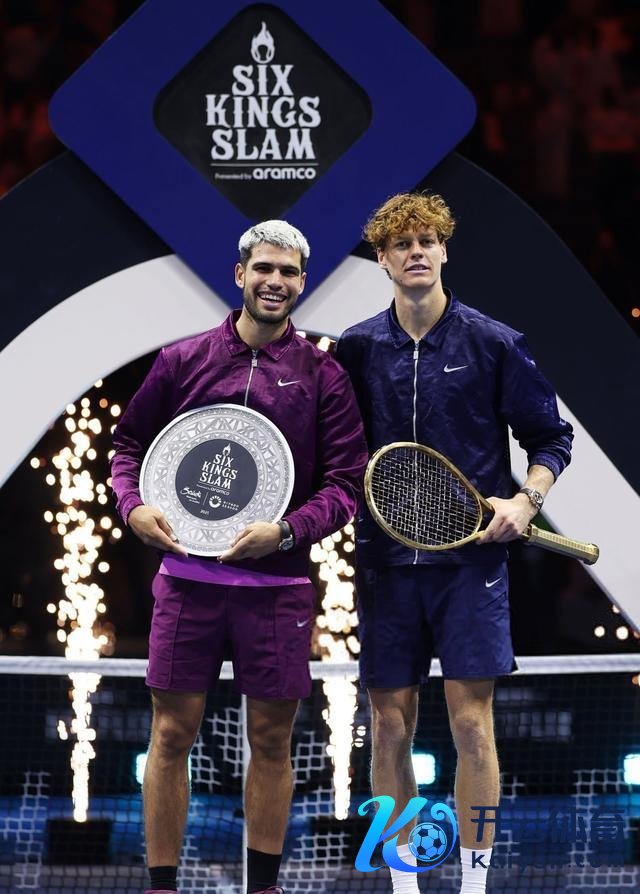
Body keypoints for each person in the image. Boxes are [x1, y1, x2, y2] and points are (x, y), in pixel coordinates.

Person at [111, 220, 368, 894]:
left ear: (302, 283)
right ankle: (161, 888)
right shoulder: (182, 360)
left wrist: (284, 533)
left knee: (273, 741)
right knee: (171, 735)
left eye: (288, 272)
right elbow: (128, 447)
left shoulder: (324, 375)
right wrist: (132, 507)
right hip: (186, 581)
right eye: (264, 269)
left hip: (277, 587)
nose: (274, 281)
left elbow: (346, 485)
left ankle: (264, 888)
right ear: (240, 275)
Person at [335, 192, 573, 894]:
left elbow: (550, 438)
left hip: (472, 564)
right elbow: (334, 446)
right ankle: (403, 882)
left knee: (472, 726)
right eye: (401, 244)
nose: (416, 252)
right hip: (385, 562)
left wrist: (526, 500)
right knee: (388, 727)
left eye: (427, 241)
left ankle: (473, 884)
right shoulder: (354, 348)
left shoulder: (494, 343)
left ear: (444, 250)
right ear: (382, 260)